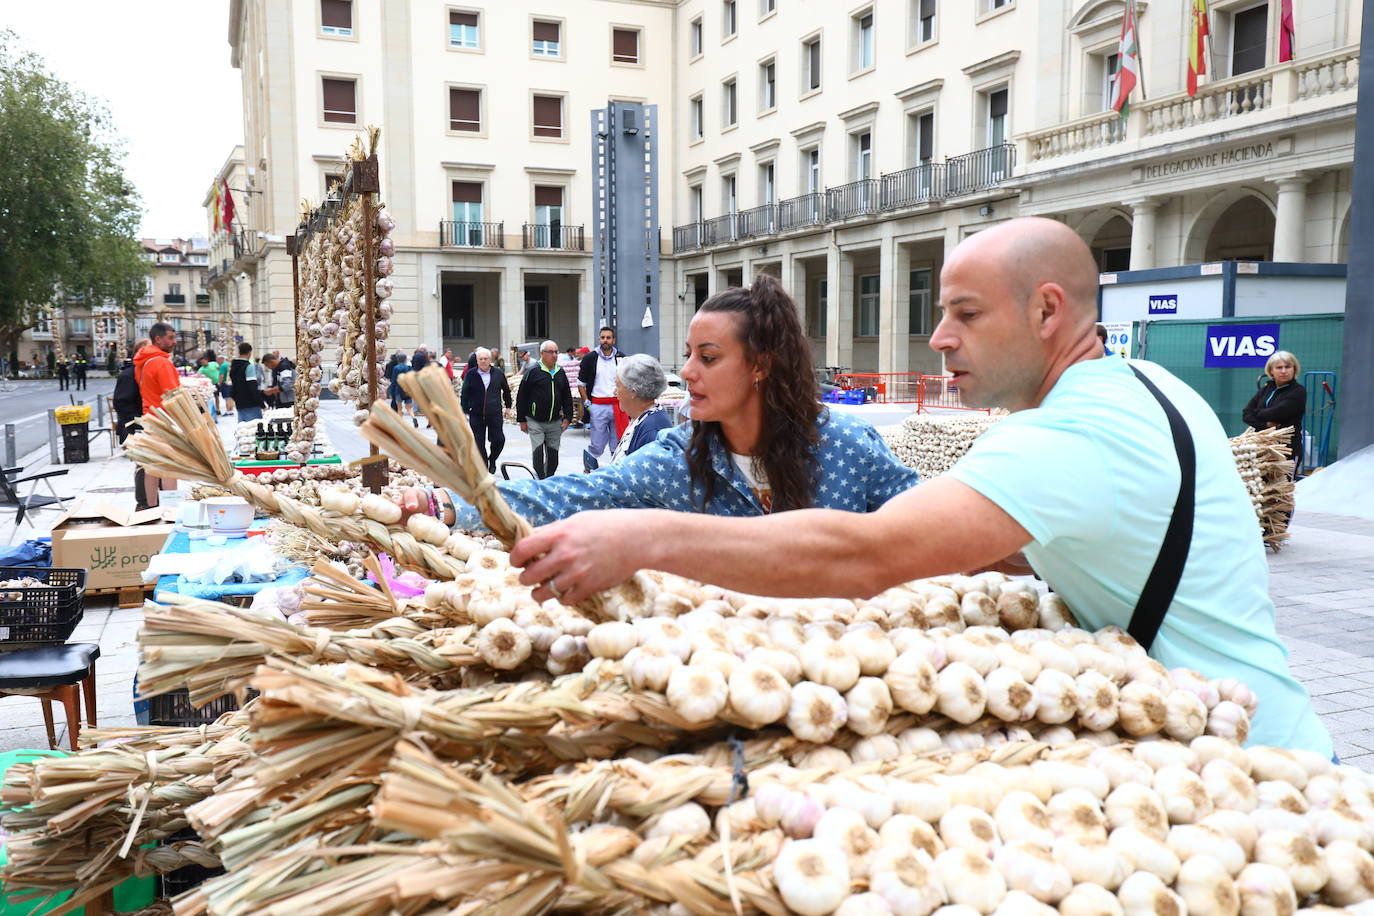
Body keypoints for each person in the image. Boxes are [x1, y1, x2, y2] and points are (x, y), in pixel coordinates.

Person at [508, 219, 1332, 758]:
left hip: (1252, 756)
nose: (939, 338)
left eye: (965, 314)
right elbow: (1014, 555)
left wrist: (641, 538)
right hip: (1245, 726)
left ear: (1048, 311)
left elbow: (869, 552)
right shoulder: (1150, 385)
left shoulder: (1068, 435)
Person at [396, 274, 920, 537]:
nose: (687, 371)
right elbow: (572, 495)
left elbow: (929, 520)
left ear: (761, 365)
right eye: (689, 354)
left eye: (708, 357)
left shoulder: (846, 448)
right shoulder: (679, 461)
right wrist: (449, 506)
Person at [134, 324, 182, 509]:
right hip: (164, 420)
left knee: (151, 468)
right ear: (158, 339)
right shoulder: (161, 362)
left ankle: (152, 506)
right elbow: (173, 395)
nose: (174, 342)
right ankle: (171, 510)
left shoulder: (144, 361)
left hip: (150, 418)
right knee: (169, 467)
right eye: (170, 338)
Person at [514, 340, 573, 479]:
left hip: (554, 422)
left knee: (553, 459)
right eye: (550, 352)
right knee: (538, 454)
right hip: (535, 421)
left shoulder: (560, 372)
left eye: (556, 352)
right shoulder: (533, 371)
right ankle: (540, 482)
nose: (554, 355)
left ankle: (549, 479)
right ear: (542, 354)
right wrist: (521, 420)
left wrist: (567, 418)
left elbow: (567, 396)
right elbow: (521, 396)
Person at [1242, 351, 1306, 471]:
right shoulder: (1266, 389)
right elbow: (1246, 414)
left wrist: (1257, 412)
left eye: (1287, 367)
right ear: (1271, 371)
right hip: (1261, 449)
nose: (1283, 371)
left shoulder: (1298, 391)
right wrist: (1265, 424)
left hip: (1287, 450)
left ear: (1294, 370)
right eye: (1279, 367)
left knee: (1284, 487)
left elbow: (1279, 413)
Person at [578, 327, 627, 471]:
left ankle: (616, 472)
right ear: (599, 339)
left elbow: (627, 381)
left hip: (618, 406)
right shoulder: (590, 358)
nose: (605, 340)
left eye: (608, 337)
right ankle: (588, 470)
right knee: (597, 444)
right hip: (598, 405)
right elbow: (581, 384)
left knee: (617, 442)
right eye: (603, 337)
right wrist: (587, 404)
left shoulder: (621, 358)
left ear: (614, 340)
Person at [609, 354, 673, 463]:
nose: (615, 392)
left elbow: (644, 478)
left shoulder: (651, 430)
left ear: (633, 392)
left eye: (618, 386)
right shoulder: (644, 417)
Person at [460, 347, 512, 474]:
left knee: (499, 440)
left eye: (485, 358)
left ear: (490, 359)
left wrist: (508, 406)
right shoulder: (471, 374)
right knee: (479, 443)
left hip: (494, 413)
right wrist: (465, 410)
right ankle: (484, 468)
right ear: (477, 360)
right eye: (480, 359)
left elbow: (506, 390)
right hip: (476, 414)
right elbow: (464, 393)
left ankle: (492, 459)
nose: (483, 361)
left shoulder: (498, 373)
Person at [112, 344, 146, 509]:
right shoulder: (128, 375)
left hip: (149, 426)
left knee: (154, 467)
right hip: (138, 428)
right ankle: (143, 503)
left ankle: (154, 501)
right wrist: (139, 421)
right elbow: (121, 403)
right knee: (143, 465)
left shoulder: (145, 372)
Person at [230, 342, 265, 422]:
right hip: (251, 403)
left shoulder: (234, 366)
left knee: (243, 429)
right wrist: (262, 404)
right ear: (250, 352)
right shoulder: (248, 366)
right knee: (254, 429)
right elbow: (252, 387)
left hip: (239, 403)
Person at [560, 347, 584, 429]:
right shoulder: (565, 359)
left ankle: (580, 420)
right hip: (572, 386)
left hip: (576, 386)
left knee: (580, 402)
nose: (576, 354)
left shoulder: (576, 360)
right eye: (575, 352)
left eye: (578, 353)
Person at [389, 351, 415, 425]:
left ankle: (400, 423)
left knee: (399, 408)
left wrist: (391, 392)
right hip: (407, 390)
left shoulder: (396, 368)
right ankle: (413, 417)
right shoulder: (409, 368)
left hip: (398, 390)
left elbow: (394, 381)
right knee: (409, 407)